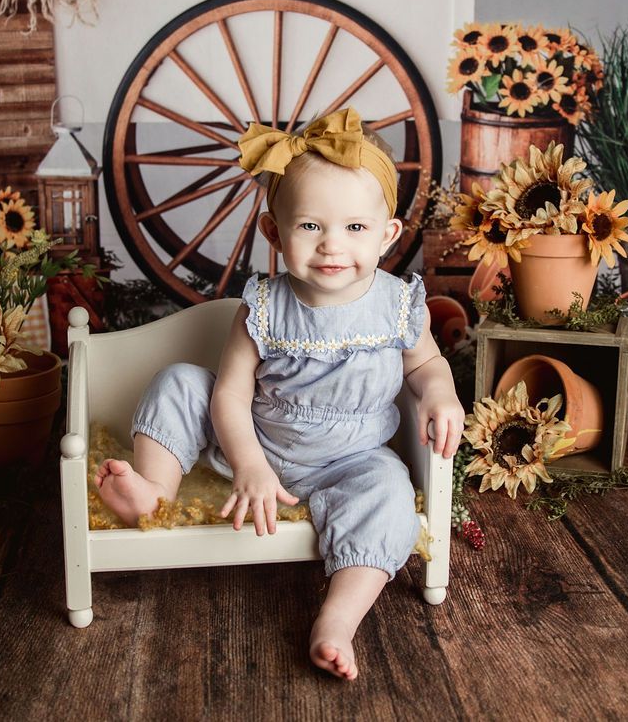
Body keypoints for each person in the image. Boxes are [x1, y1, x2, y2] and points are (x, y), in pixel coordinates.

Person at [95, 107, 465, 680]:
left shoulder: (398, 305)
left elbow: (427, 365)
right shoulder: (264, 305)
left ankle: (338, 618)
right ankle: (153, 493)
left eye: (355, 228)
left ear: (389, 234)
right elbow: (229, 397)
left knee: (391, 491)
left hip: (351, 460)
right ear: (275, 232)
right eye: (310, 227)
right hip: (256, 444)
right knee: (181, 382)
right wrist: (249, 463)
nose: (331, 247)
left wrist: (441, 394)